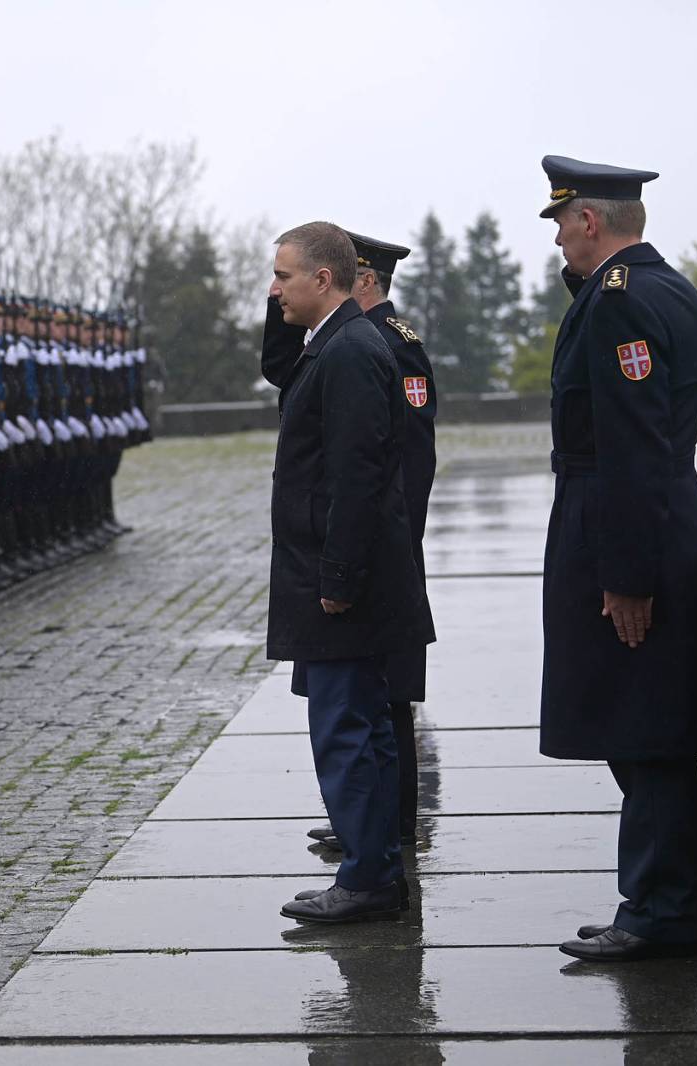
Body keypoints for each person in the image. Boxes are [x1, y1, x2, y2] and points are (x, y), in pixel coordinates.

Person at [535, 156, 697, 962]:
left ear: (589, 221)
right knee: (640, 727)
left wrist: (627, 577)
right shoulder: (661, 287)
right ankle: (654, 899)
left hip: (627, 526)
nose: (558, 243)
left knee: (645, 731)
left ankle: (659, 912)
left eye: (561, 225)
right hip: (643, 517)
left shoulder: (621, 303)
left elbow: (634, 446)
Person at [263, 221, 433, 925]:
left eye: (283, 276)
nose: (273, 289)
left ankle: (366, 878)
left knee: (348, 730)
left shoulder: (353, 351)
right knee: (360, 726)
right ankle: (372, 869)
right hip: (336, 576)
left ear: (322, 281)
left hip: (342, 586)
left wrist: (336, 576)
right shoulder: (335, 344)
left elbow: (357, 476)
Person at [299, 232, 437, 853]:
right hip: (374, 539)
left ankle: (393, 823)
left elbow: (406, 461)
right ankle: (371, 820)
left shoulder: (387, 344)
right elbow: (280, 370)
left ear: (364, 279)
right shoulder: (351, 339)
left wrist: (388, 545)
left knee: (388, 695)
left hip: (385, 542)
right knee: (370, 694)